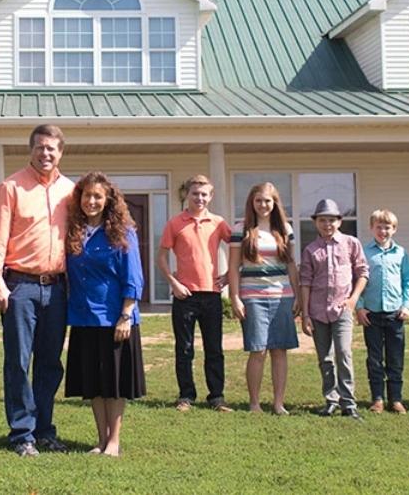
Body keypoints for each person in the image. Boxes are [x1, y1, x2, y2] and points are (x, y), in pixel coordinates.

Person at [0, 124, 74, 457]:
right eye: (40, 147)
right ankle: (22, 433)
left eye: (52, 148)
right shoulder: (10, 188)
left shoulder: (71, 191)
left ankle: (44, 430)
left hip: (57, 289)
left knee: (50, 363)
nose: (45, 153)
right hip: (20, 286)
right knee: (19, 363)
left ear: (60, 152)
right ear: (31, 149)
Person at [64, 172, 145, 457]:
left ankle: (114, 441)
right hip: (84, 318)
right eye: (87, 195)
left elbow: (133, 276)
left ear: (108, 199)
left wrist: (126, 314)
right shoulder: (74, 230)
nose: (92, 201)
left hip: (114, 319)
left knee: (114, 384)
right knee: (94, 384)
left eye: (98, 196)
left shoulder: (123, 232)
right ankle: (100, 439)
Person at [157, 174, 232, 413]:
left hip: (211, 294)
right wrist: (174, 283)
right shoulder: (175, 223)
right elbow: (161, 257)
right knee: (184, 348)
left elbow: (239, 247)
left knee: (214, 348)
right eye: (195, 194)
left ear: (210, 197)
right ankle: (186, 396)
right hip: (184, 295)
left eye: (204, 194)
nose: (199, 198)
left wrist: (229, 275)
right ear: (187, 195)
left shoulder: (218, 223)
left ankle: (217, 397)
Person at [227, 182, 299, 415]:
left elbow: (291, 265)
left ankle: (278, 403)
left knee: (279, 350)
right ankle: (255, 403)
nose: (263, 205)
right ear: (252, 203)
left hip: (282, 296)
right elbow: (233, 266)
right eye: (258, 200)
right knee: (258, 350)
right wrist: (235, 297)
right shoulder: (241, 229)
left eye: (267, 200)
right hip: (252, 297)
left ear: (275, 203)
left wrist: (298, 297)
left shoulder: (286, 229)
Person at [299, 198, 368, 420]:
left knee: (343, 353)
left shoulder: (351, 243)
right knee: (324, 357)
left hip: (342, 308)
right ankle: (331, 399)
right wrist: (305, 314)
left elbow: (363, 273)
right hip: (318, 311)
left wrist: (353, 299)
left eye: (331, 220)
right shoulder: (310, 250)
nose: (327, 224)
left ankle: (348, 402)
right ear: (315, 222)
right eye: (322, 220)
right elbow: (306, 282)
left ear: (339, 221)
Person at [356, 209, 409, 414]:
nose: (383, 231)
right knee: (374, 358)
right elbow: (357, 281)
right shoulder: (364, 252)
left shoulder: (401, 253)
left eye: (387, 227)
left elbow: (408, 281)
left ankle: (396, 399)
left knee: (395, 357)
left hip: (395, 314)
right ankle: (377, 398)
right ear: (371, 228)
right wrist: (359, 306)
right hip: (371, 314)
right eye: (379, 227)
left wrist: (407, 306)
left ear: (394, 229)